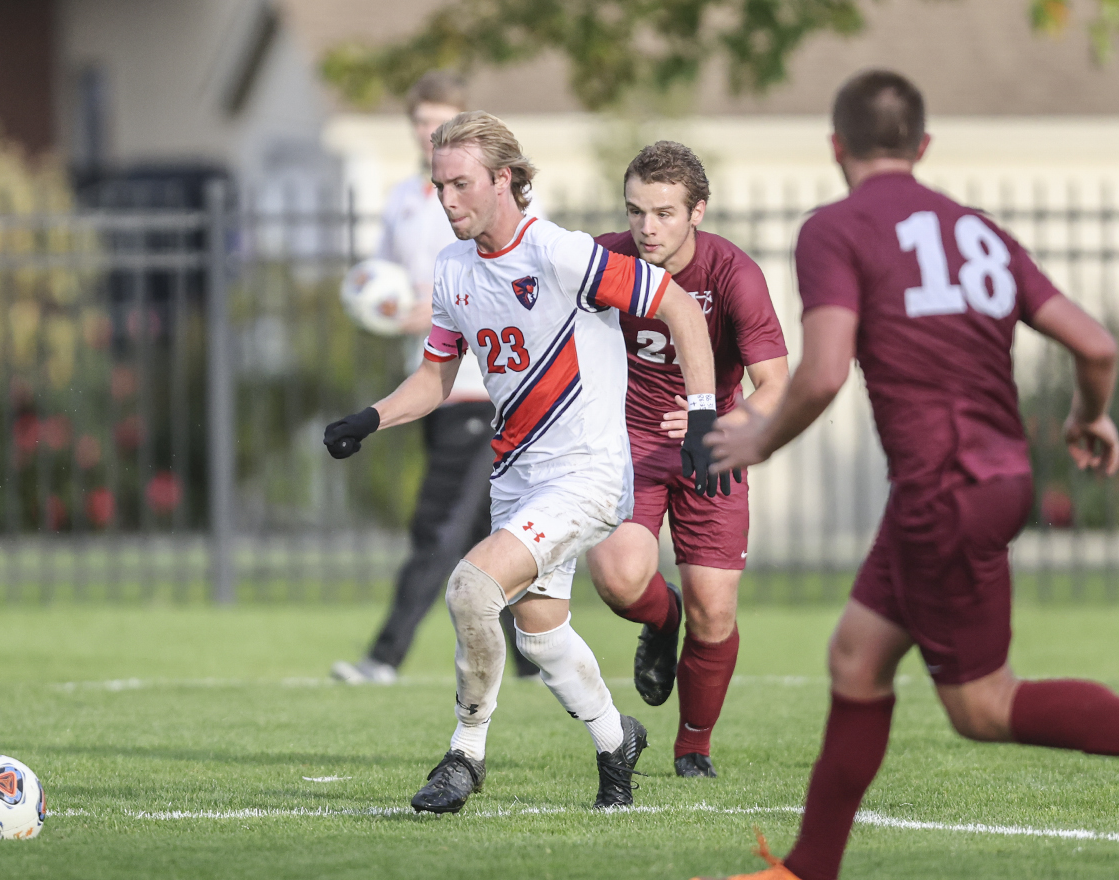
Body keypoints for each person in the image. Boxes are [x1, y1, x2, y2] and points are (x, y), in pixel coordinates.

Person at [690, 70, 1119, 880]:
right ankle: (809, 873)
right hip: (989, 477)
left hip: (944, 490)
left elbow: (820, 373)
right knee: (857, 656)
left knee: (983, 708)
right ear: (923, 147)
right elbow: (1097, 346)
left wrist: (761, 436)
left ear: (835, 147)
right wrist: (1089, 416)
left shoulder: (835, 228)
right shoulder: (978, 232)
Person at [322, 111, 725, 812]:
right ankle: (615, 741)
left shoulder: (560, 254)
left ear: (503, 180)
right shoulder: (452, 269)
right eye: (439, 185)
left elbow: (679, 306)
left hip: (588, 475)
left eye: (462, 184)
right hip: (519, 478)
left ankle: (465, 755)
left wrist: (701, 413)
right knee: (542, 638)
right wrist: (372, 418)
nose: (448, 200)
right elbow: (436, 378)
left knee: (471, 588)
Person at [586, 142, 789, 779]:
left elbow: (776, 385)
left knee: (716, 612)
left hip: (713, 449)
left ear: (697, 211)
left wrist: (724, 424)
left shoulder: (734, 273)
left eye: (665, 213)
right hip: (627, 445)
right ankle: (660, 615)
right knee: (619, 581)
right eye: (636, 211)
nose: (647, 227)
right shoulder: (602, 259)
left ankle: (692, 747)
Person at [330, 71, 538, 686]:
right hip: (430, 385)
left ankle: (383, 655)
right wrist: (388, 308)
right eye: (420, 123)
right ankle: (531, 657)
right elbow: (387, 285)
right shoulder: (402, 200)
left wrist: (443, 309)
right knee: (480, 529)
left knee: (438, 526)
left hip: (485, 387)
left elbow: (516, 286)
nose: (428, 133)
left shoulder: (502, 204)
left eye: (439, 122)